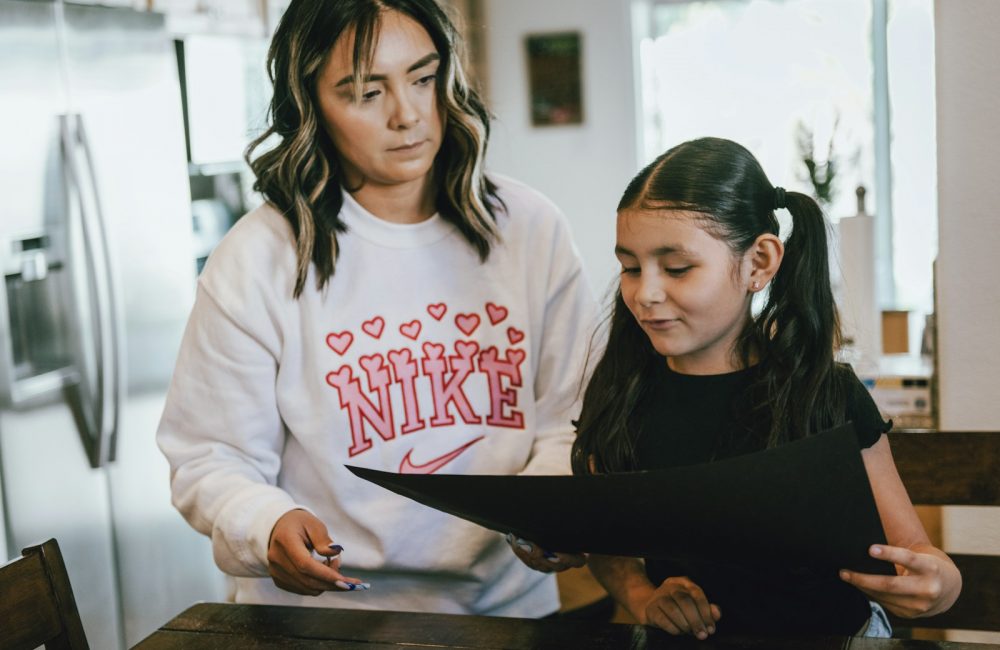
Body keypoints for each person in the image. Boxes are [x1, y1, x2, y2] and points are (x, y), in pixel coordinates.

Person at [156, 0, 594, 617]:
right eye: (366, 92)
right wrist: (266, 522)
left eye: (423, 77)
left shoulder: (529, 229)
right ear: (311, 106)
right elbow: (210, 456)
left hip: (507, 613)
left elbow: (569, 417)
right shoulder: (257, 258)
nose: (408, 114)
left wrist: (552, 510)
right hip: (327, 620)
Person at [571, 137, 961, 638]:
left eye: (677, 268)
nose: (644, 293)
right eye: (630, 267)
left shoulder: (825, 396)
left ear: (759, 263)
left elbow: (916, 556)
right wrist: (644, 597)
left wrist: (940, 583)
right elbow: (610, 550)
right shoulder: (623, 395)